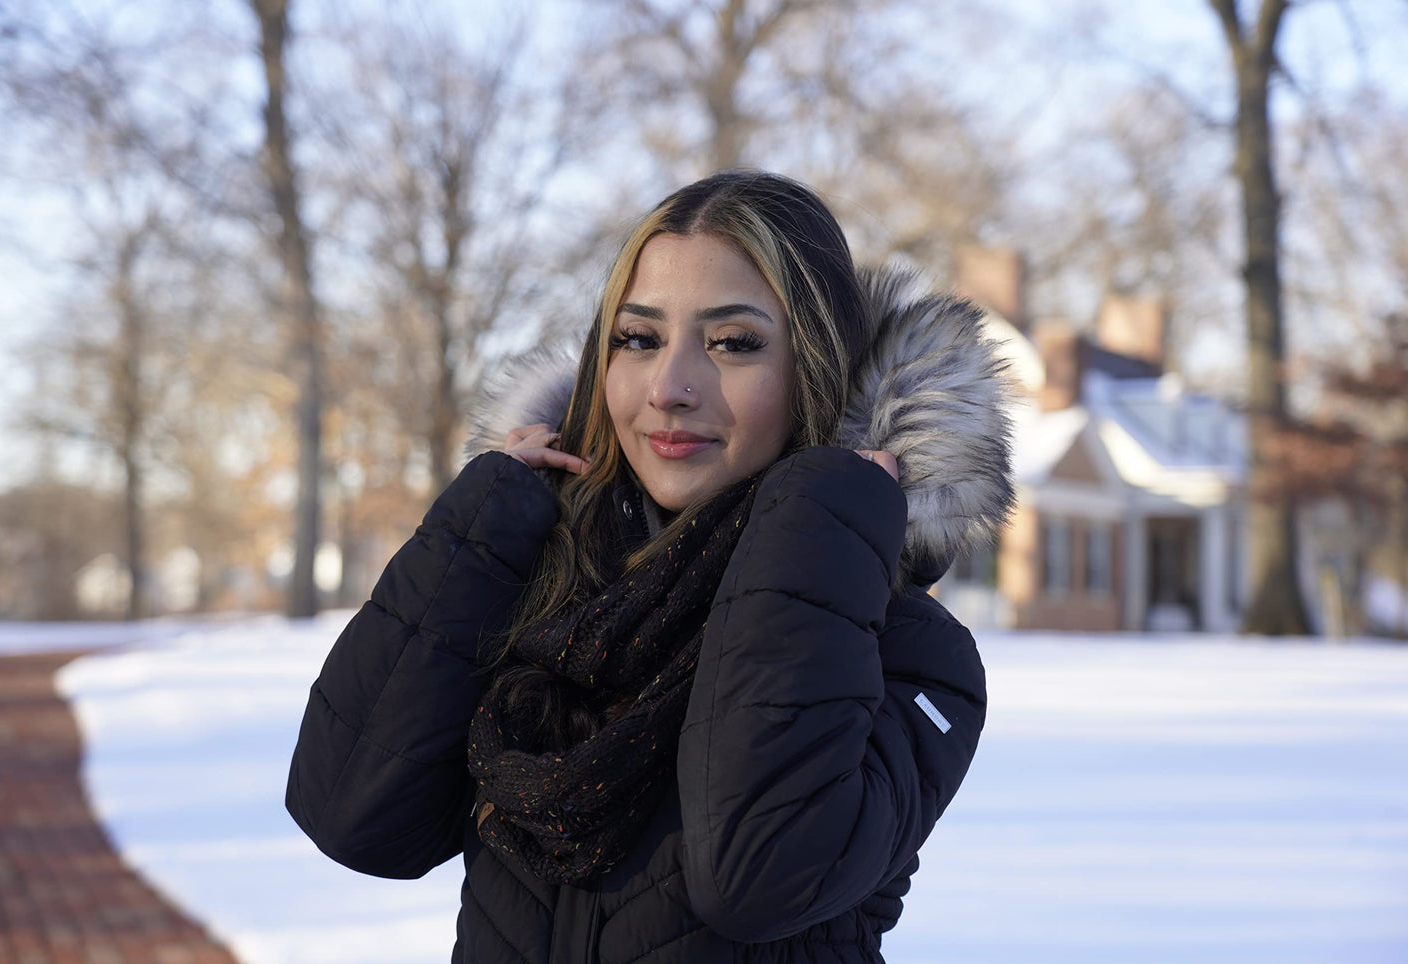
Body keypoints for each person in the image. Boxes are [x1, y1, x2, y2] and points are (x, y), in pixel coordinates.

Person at [286, 170, 1015, 963]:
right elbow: (353, 815)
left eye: (732, 344)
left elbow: (757, 876)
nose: (669, 387)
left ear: (817, 370)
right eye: (638, 339)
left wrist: (822, 511)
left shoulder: (908, 655)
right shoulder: (549, 593)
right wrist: (485, 522)